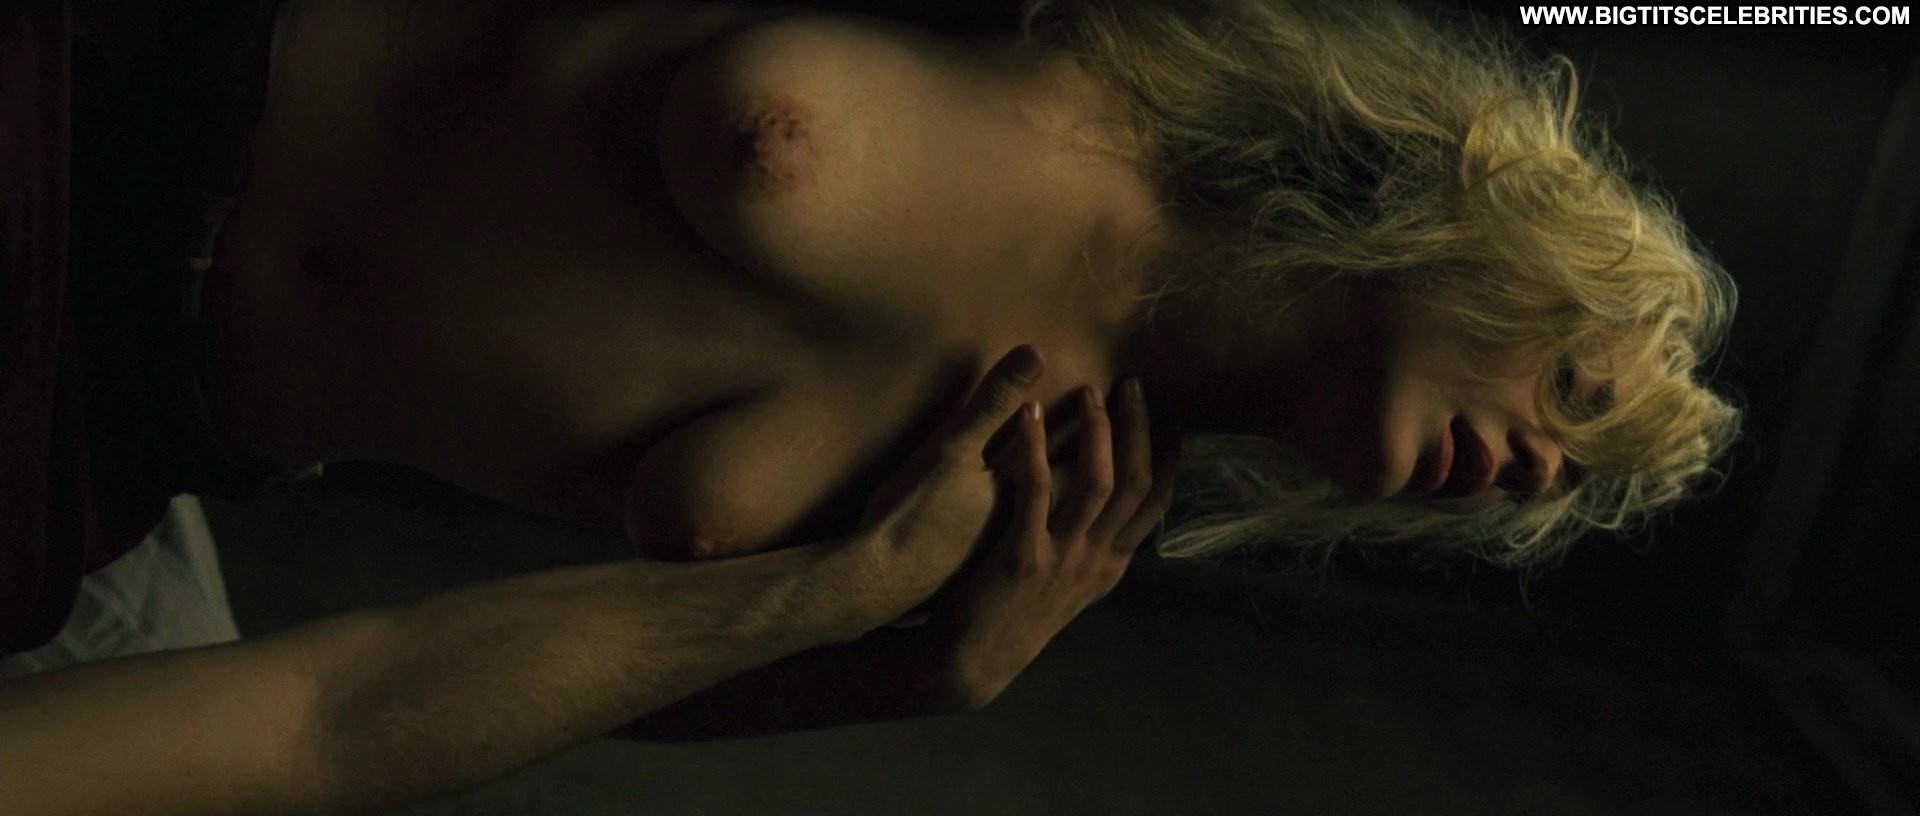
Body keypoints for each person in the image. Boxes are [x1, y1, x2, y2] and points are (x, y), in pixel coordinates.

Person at [0, 0, 1738, 811]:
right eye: (1571, 390)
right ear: (1492, 221)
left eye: (1559, 486)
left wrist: (900, 667)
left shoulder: (1038, 510)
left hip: (96, 440)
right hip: (97, 78)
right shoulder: (1104, 44)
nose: (1531, 466)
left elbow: (429, 706)